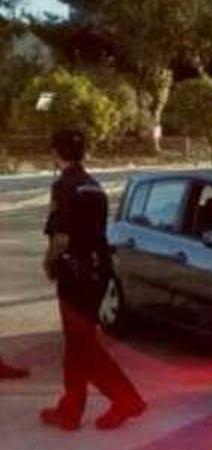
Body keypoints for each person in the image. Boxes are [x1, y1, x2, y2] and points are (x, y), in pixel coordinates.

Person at [40, 129, 145, 431]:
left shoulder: (64, 186)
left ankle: (126, 399)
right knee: (77, 344)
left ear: (56, 153)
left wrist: (49, 263)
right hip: (99, 270)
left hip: (74, 273)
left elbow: (61, 235)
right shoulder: (94, 186)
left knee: (82, 344)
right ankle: (70, 410)